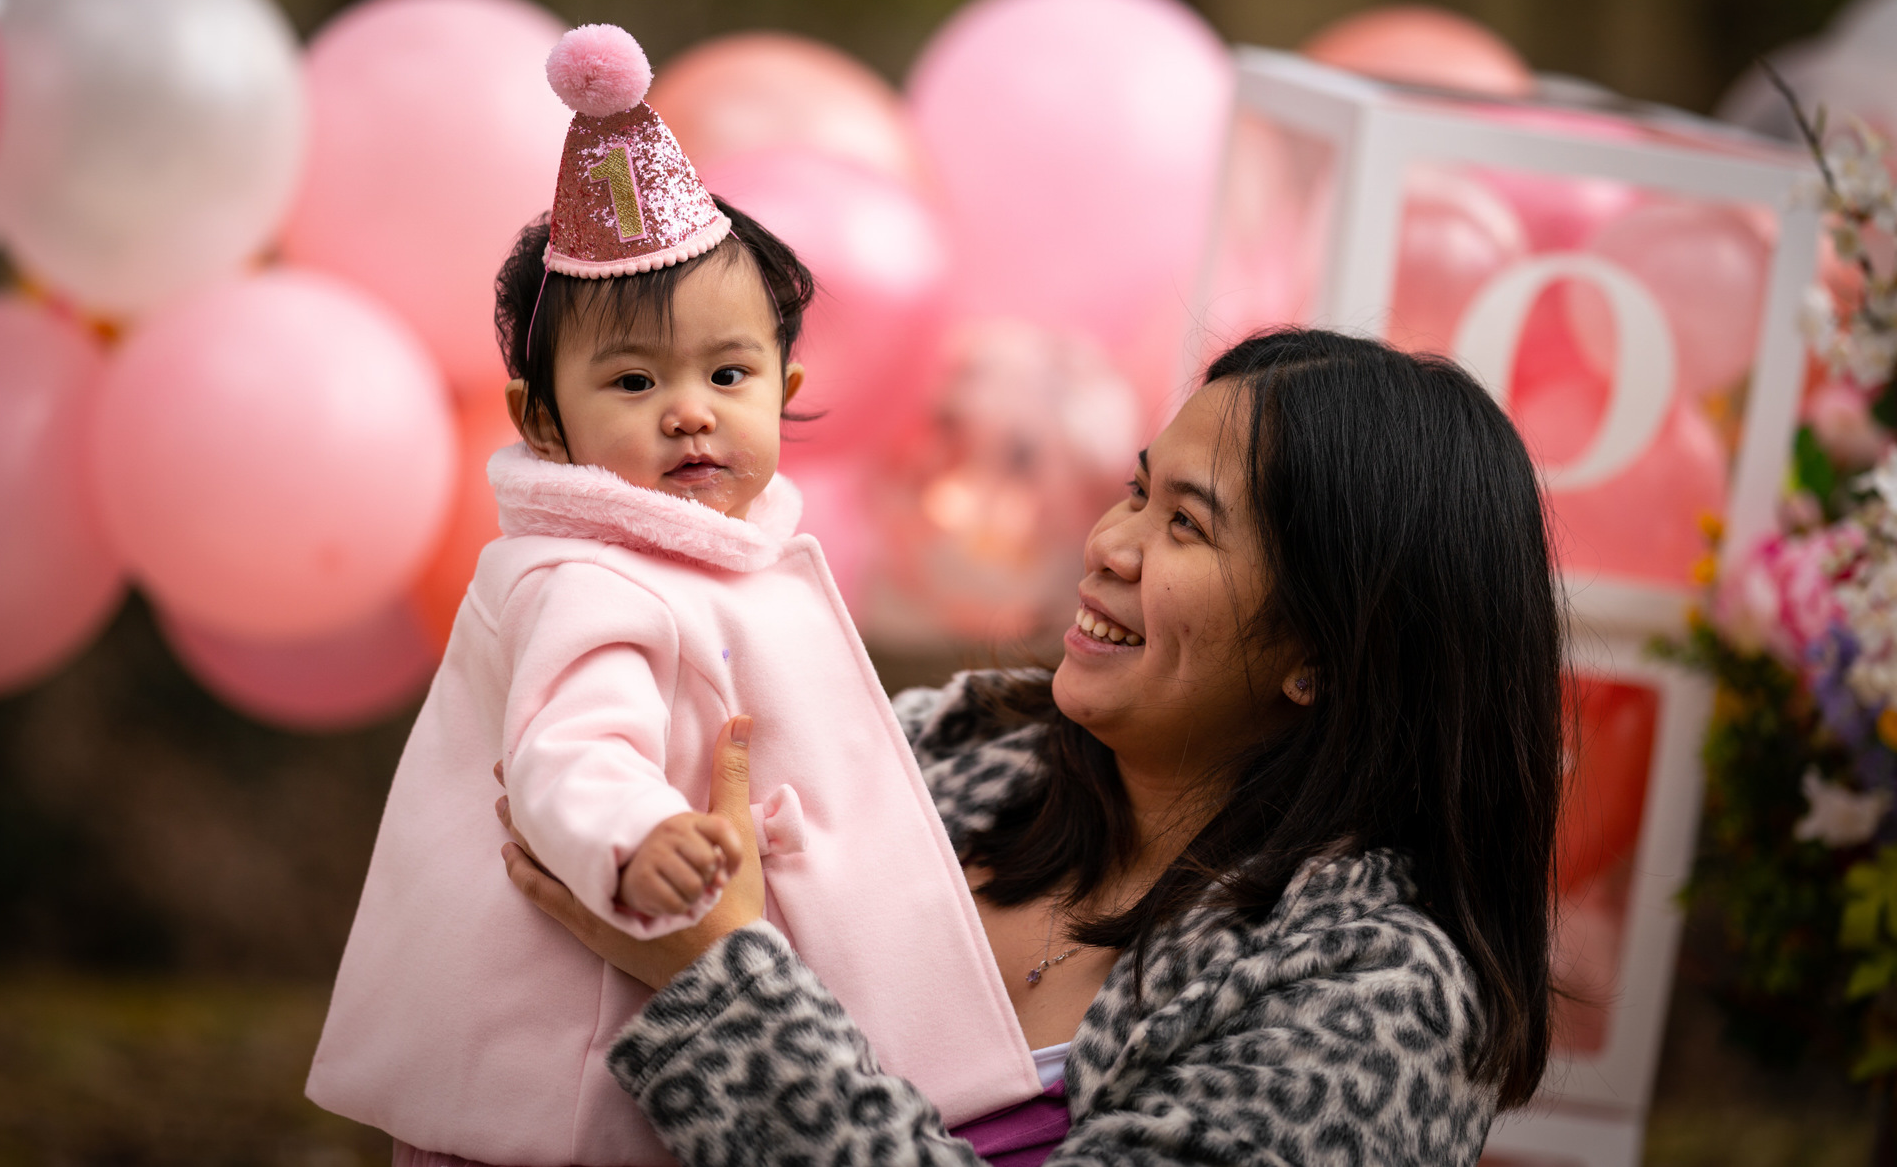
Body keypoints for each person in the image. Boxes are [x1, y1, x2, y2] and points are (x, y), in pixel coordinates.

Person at [501, 327, 1564, 1166]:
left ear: (1325, 650)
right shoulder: (957, 750)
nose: (1106, 542)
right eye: (1138, 489)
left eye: (1185, 525)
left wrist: (715, 983)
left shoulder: (1374, 991)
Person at [308, 25, 1038, 1167]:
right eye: (634, 380)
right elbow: (568, 746)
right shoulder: (586, 574)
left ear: (787, 387)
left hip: (693, 1014)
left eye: (726, 374)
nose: (689, 409)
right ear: (542, 419)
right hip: (575, 1065)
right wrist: (634, 832)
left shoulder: (716, 545)